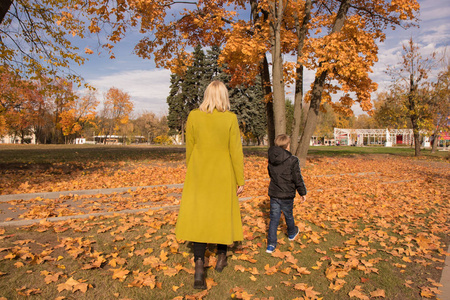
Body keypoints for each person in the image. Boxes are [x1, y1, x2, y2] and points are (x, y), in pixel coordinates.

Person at [175, 80, 245, 290]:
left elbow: (191, 147)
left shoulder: (194, 116)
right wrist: (240, 179)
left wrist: (192, 169)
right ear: (224, 96)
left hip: (199, 172)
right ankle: (221, 257)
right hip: (223, 173)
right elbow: (236, 151)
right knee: (221, 213)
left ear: (206, 95)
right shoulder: (231, 118)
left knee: (201, 215)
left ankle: (199, 266)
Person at [266, 134, 307, 253]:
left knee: (274, 219)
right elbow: (297, 177)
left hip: (274, 193)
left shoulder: (271, 159)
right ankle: (292, 233)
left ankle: (271, 245)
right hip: (287, 194)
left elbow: (271, 173)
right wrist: (302, 192)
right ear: (287, 146)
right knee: (288, 215)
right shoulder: (292, 160)